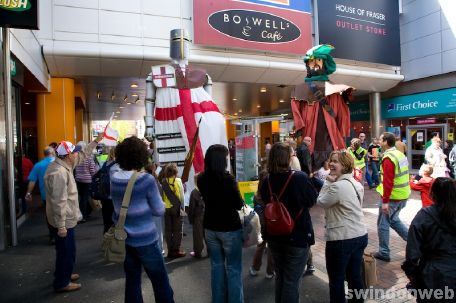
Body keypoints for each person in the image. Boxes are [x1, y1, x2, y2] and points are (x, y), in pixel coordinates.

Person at [111, 136, 174, 303]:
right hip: (146, 240)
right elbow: (159, 210)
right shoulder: (146, 180)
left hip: (125, 239)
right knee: (160, 281)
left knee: (132, 281)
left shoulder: (115, 178)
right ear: (141, 156)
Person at [44, 134, 102, 292]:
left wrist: (96, 141)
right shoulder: (59, 173)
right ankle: (62, 282)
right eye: (74, 152)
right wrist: (61, 225)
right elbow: (59, 201)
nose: (77, 153)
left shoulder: (64, 164)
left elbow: (84, 154)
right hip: (63, 220)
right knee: (66, 251)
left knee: (66, 250)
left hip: (64, 218)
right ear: (68, 155)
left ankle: (64, 274)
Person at [260, 142, 317, 303]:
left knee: (281, 277)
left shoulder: (267, 180)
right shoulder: (299, 178)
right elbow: (312, 200)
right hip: (297, 236)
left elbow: (264, 201)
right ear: (288, 158)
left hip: (274, 236)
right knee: (291, 281)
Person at [317, 150, 368, 303]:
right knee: (355, 276)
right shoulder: (356, 184)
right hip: (360, 235)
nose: (331, 164)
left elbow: (321, 201)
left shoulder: (337, 187)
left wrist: (327, 181)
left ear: (345, 165)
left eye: (335, 161)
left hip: (341, 239)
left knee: (336, 280)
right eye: (331, 160)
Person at [197, 144, 244, 303]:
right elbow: (239, 204)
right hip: (230, 228)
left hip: (210, 227)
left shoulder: (201, 178)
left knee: (216, 267)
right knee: (233, 269)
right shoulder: (229, 180)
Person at [402, 177, 456, 303]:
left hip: (432, 275)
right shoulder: (426, 215)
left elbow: (412, 252)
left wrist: (413, 275)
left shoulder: (425, 215)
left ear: (433, 194)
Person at [374, 132, 411, 262]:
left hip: (393, 197)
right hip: (403, 195)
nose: (378, 141)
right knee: (394, 220)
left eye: (380, 139)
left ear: (385, 142)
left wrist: (385, 202)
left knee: (382, 224)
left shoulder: (389, 158)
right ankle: (415, 241)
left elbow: (388, 182)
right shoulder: (400, 154)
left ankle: (384, 252)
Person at [25, 146, 56, 244]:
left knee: (49, 215)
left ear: (44, 154)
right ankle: (62, 232)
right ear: (53, 153)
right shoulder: (60, 163)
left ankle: (53, 236)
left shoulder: (38, 165)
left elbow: (32, 180)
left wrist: (29, 193)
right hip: (61, 194)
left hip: (45, 195)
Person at [249, 170, 275, 279]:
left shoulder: (257, 196)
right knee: (271, 249)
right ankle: (270, 272)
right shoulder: (272, 196)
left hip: (262, 224)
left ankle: (255, 268)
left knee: (260, 246)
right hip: (272, 223)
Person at [160, 163, 186, 258]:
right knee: (177, 230)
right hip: (176, 209)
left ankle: (170, 250)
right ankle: (176, 250)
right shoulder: (178, 181)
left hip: (166, 209)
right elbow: (182, 197)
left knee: (168, 230)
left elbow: (162, 196)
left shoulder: (163, 181)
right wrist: (182, 209)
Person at [74, 141, 98, 221]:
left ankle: (85, 213)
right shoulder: (88, 157)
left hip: (78, 180)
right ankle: (83, 216)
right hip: (87, 180)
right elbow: (92, 170)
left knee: (82, 197)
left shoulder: (76, 158)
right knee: (85, 198)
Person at [100, 147, 120, 233]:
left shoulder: (105, 164)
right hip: (114, 197)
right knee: (116, 220)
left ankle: (106, 239)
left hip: (104, 195)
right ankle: (114, 242)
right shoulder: (117, 166)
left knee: (106, 220)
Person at [188, 174, 205, 258]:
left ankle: (198, 252)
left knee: (198, 235)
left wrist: (190, 218)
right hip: (207, 214)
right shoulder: (207, 189)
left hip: (198, 216)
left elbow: (191, 207)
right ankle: (211, 251)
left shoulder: (194, 192)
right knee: (208, 234)